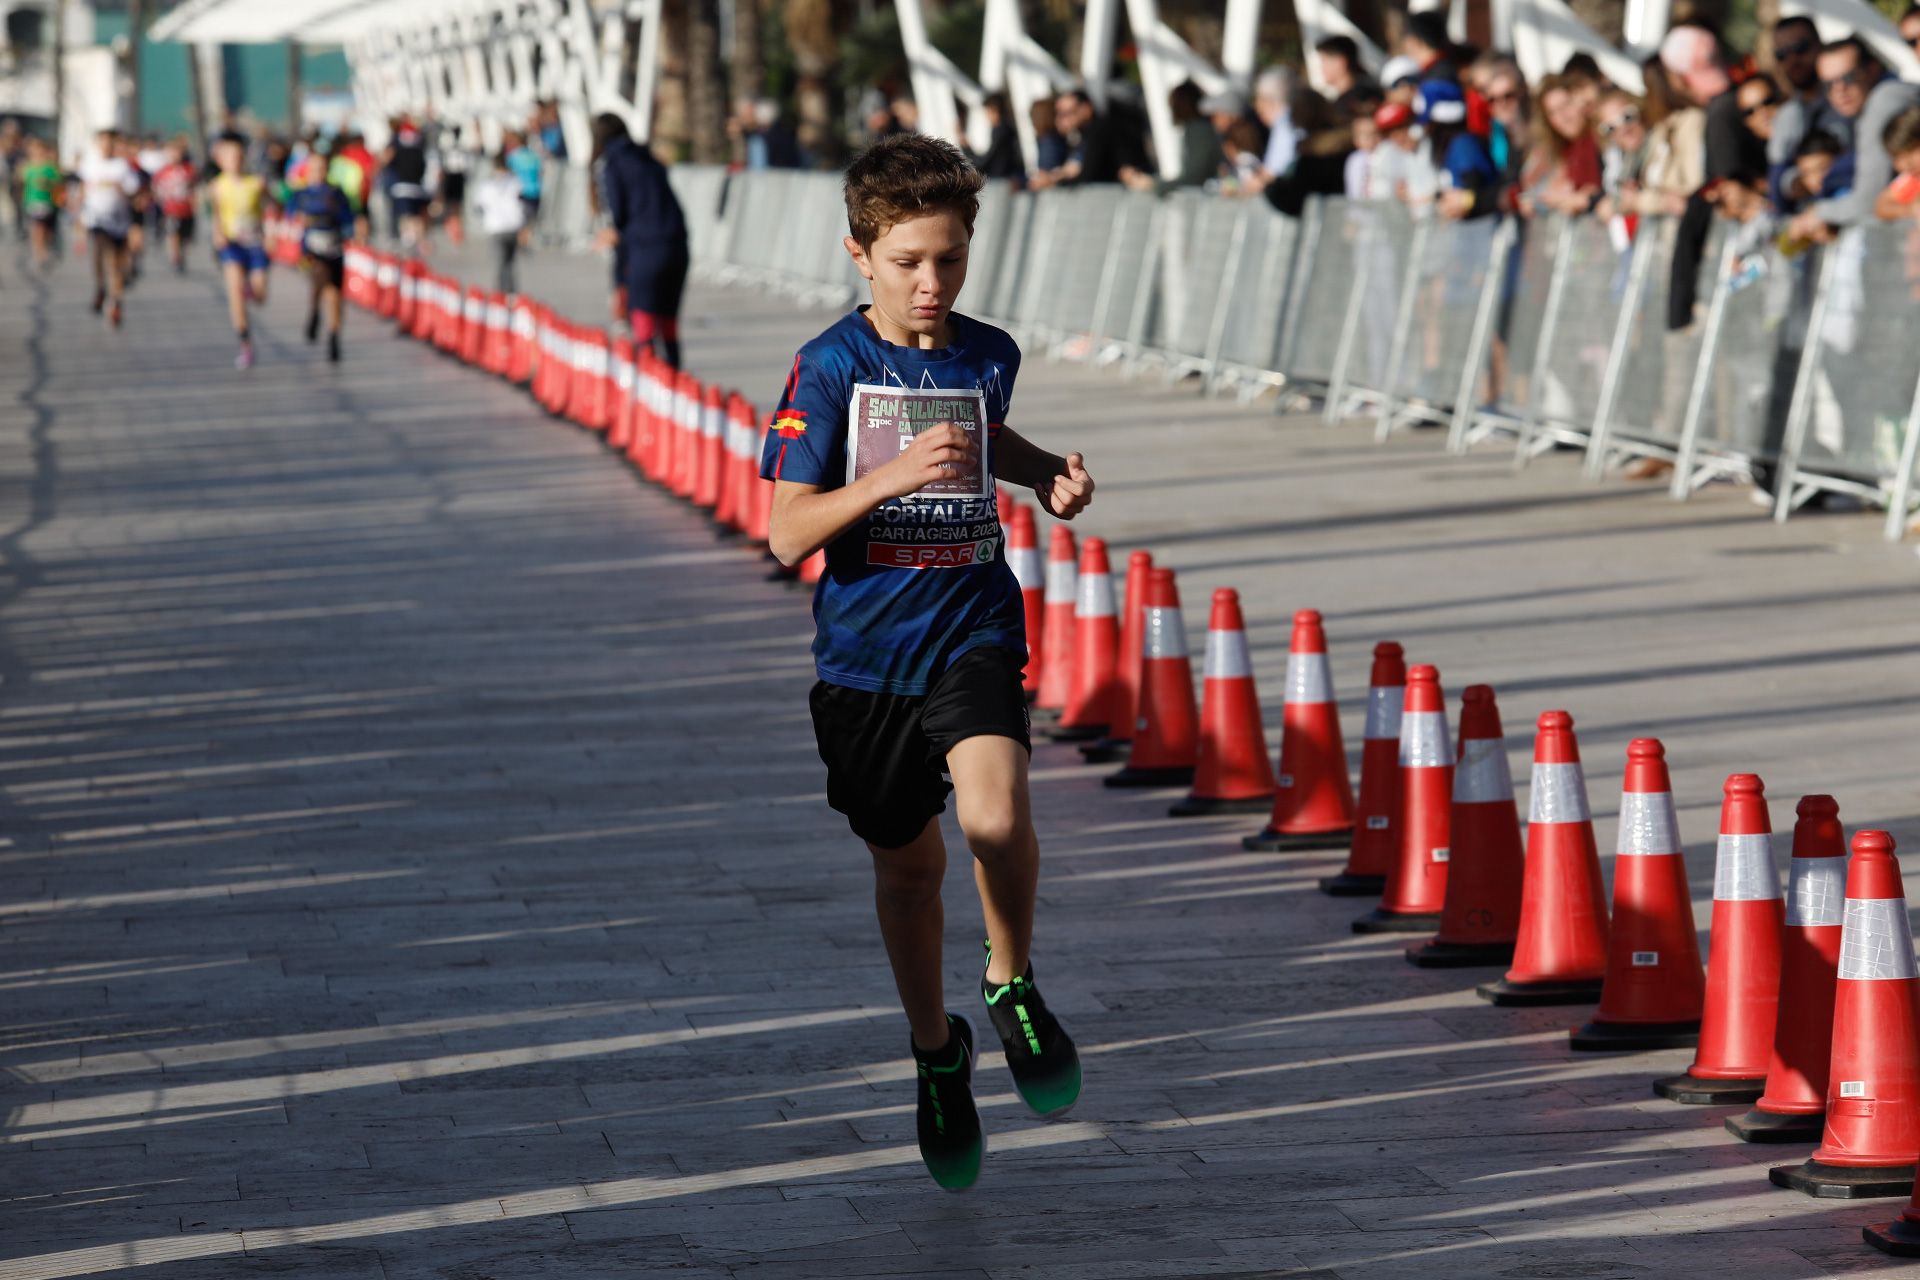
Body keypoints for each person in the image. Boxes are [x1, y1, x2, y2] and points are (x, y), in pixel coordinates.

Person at [759, 132, 1090, 1192]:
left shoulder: (987, 351)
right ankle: (934, 1049)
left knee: (996, 817)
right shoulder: (829, 365)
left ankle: (1010, 982)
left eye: (949, 257)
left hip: (971, 627)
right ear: (860, 253)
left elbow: (988, 435)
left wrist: (1047, 476)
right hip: (864, 662)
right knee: (909, 871)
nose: (931, 282)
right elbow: (784, 531)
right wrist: (892, 474)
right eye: (908, 260)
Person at [1787, 39, 1920, 244]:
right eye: (1828, 84)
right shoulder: (1867, 107)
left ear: (1872, 69)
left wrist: (1818, 213)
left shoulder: (1884, 102)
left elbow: (1868, 201)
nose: (1839, 89)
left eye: (1848, 77)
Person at [592, 113, 690, 368]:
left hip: (646, 248)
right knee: (668, 321)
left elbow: (618, 214)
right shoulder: (649, 159)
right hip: (677, 244)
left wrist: (619, 278)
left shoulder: (612, 163)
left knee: (643, 318)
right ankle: (674, 375)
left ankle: (650, 383)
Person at [1766, 17, 1851, 209]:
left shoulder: (1848, 96)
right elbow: (1777, 178)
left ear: (1819, 45)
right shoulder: (1787, 115)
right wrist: (1797, 181)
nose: (1792, 60)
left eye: (1801, 48)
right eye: (1781, 54)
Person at [207, 131, 270, 370]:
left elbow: (273, 207)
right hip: (232, 245)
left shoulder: (256, 183)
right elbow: (216, 214)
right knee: (234, 292)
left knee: (260, 294)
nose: (234, 160)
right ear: (221, 160)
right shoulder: (217, 186)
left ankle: (251, 290)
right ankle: (245, 344)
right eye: (229, 156)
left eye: (238, 156)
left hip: (254, 244)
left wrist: (271, 233)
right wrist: (217, 233)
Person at [283, 153, 354, 363]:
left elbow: (348, 217)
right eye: (314, 168)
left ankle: (333, 335)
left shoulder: (336, 193)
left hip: (334, 247)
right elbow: (290, 215)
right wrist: (300, 220)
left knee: (334, 295)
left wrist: (353, 229)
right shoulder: (301, 194)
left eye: (322, 168)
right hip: (310, 249)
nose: (318, 173)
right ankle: (314, 312)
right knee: (319, 278)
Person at [78, 129, 140, 328]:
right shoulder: (89, 164)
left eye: (109, 143)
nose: (105, 146)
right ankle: (101, 288)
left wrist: (119, 186)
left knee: (115, 263)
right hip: (96, 219)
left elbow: (133, 193)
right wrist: (77, 220)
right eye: (102, 142)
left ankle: (115, 301)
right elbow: (81, 190)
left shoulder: (121, 166)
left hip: (119, 222)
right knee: (100, 256)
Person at [1125, 80, 1224, 193]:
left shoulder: (1198, 131)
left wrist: (1154, 184)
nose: (1172, 111)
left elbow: (1195, 176)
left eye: (1173, 105)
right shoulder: (1196, 129)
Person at [474, 152, 527, 293]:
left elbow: (479, 206)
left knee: (500, 263)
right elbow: (523, 202)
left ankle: (501, 294)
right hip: (513, 226)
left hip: (496, 227)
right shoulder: (515, 182)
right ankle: (511, 292)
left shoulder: (487, 184)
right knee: (509, 262)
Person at [383, 121, 433, 249]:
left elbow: (387, 161)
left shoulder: (397, 147)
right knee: (416, 217)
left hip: (402, 188)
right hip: (417, 188)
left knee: (405, 217)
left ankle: (408, 239)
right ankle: (419, 240)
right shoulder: (421, 147)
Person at [151, 139, 198, 274]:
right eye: (171, 153)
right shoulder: (162, 171)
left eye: (177, 152)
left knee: (186, 237)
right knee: (173, 234)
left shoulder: (188, 169)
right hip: (171, 209)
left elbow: (194, 186)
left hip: (186, 209)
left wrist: (194, 200)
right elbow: (156, 188)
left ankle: (181, 254)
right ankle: (175, 257)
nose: (174, 156)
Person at [21, 135, 60, 270]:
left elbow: (57, 182)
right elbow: (22, 181)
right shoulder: (28, 166)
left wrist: (46, 183)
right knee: (36, 228)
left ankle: (44, 249)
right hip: (32, 201)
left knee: (44, 229)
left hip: (47, 201)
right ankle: (38, 254)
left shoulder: (49, 167)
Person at [1875, 105, 1920, 219]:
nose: (1906, 164)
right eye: (1898, 157)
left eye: (1911, 151)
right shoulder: (1910, 180)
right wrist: (1911, 210)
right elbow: (1881, 206)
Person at [971, 92, 1024, 182]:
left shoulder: (1001, 132)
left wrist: (966, 148)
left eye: (988, 112)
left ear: (995, 110)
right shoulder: (1004, 129)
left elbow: (988, 160)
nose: (986, 116)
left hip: (1001, 180)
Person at [503, 129, 542, 246]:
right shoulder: (533, 155)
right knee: (529, 218)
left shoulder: (513, 157)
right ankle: (525, 239)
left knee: (521, 218)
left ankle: (522, 241)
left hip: (520, 191)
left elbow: (507, 174)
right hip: (535, 190)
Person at [437, 129, 469, 248]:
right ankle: (452, 228)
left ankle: (456, 230)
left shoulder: (459, 149)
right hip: (451, 176)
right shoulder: (449, 149)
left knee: (456, 206)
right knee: (452, 205)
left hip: (456, 177)